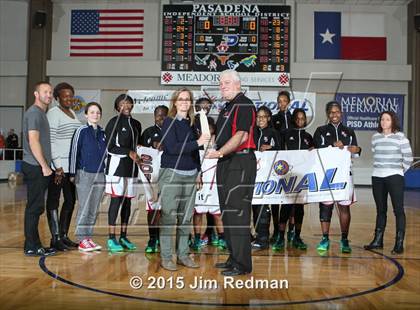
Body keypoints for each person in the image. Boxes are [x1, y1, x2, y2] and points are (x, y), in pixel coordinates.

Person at [206, 69, 257, 276]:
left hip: (241, 161)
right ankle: (233, 257)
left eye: (226, 83)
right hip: (227, 162)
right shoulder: (228, 106)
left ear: (237, 84)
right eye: (220, 83)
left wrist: (218, 153)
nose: (222, 87)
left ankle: (242, 264)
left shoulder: (244, 104)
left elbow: (241, 137)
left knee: (238, 213)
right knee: (227, 213)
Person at [158, 88, 210, 271]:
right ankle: (166, 257)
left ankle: (183, 255)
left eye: (187, 99)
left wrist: (199, 172)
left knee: (186, 218)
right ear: (174, 102)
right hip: (171, 174)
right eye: (181, 99)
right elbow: (172, 148)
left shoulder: (192, 123)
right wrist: (198, 142)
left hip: (190, 175)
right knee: (169, 217)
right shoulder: (168, 122)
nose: (184, 102)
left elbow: (196, 152)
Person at [313, 101, 361, 254]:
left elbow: (355, 153)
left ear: (341, 113)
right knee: (325, 207)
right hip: (326, 175)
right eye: (332, 112)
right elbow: (316, 151)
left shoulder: (349, 131)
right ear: (328, 114)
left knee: (344, 207)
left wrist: (357, 149)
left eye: (337, 111)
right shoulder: (320, 131)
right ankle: (325, 238)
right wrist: (333, 146)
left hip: (344, 176)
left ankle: (344, 239)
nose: (335, 114)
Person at [364, 111, 413, 254]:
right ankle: (378, 241)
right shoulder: (375, 138)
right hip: (377, 177)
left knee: (398, 210)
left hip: (395, 177)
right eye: (382, 119)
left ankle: (399, 243)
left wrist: (399, 171)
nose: (384, 122)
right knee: (381, 210)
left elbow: (408, 158)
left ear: (393, 121)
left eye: (387, 119)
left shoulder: (401, 138)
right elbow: (376, 154)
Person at [46, 82, 82, 251]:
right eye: (65, 96)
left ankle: (64, 235)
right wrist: (57, 166)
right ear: (57, 97)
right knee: (54, 201)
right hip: (58, 167)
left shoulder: (73, 113)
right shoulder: (53, 113)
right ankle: (55, 238)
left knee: (70, 200)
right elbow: (50, 140)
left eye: (70, 95)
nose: (68, 98)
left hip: (71, 166)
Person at [272, 108, 314, 251]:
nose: (300, 121)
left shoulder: (308, 136)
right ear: (293, 119)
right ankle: (280, 237)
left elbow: (314, 155)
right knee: (285, 208)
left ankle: (296, 236)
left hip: (302, 177)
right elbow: (278, 150)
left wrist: (312, 151)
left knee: (299, 209)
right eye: (298, 118)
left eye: (303, 118)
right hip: (288, 176)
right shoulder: (285, 134)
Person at [22, 81, 56, 256]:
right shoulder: (34, 113)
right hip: (36, 166)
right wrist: (44, 166)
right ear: (36, 94)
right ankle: (30, 245)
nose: (49, 95)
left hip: (39, 166)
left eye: (50, 92)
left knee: (36, 207)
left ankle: (35, 244)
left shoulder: (41, 113)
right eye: (45, 92)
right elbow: (33, 140)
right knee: (34, 207)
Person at [105, 94, 142, 253]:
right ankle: (111, 238)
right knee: (116, 202)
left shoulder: (136, 124)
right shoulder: (113, 123)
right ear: (117, 107)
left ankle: (123, 236)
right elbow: (110, 148)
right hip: (116, 169)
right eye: (122, 103)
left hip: (131, 169)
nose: (126, 106)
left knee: (127, 203)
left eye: (128, 103)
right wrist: (128, 152)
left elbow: (138, 146)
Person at [69, 102, 107, 252]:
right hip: (84, 174)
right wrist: (73, 173)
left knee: (93, 208)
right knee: (84, 207)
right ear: (86, 114)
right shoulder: (81, 131)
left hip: (100, 174)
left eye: (98, 112)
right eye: (92, 112)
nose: (95, 115)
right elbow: (74, 152)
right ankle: (81, 238)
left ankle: (88, 237)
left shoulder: (103, 133)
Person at [251, 106, 281, 250]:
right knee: (253, 206)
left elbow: (282, 154)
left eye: (264, 116)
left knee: (263, 207)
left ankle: (263, 238)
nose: (261, 119)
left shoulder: (274, 133)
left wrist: (271, 149)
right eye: (258, 116)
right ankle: (255, 236)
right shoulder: (252, 132)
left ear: (269, 118)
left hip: (267, 177)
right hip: (252, 175)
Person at [140, 105, 168, 253]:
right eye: (158, 115)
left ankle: (162, 238)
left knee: (166, 209)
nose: (161, 118)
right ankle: (152, 238)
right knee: (152, 208)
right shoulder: (148, 132)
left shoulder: (172, 131)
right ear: (154, 116)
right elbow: (140, 149)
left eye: (164, 115)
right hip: (152, 177)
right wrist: (152, 145)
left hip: (169, 175)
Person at [270, 90, 293, 242]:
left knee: (290, 198)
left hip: (293, 161)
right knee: (275, 199)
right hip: (277, 162)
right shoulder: (274, 118)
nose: (282, 103)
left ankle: (290, 231)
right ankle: (276, 230)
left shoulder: (294, 118)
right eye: (280, 101)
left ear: (289, 102)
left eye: (284, 101)